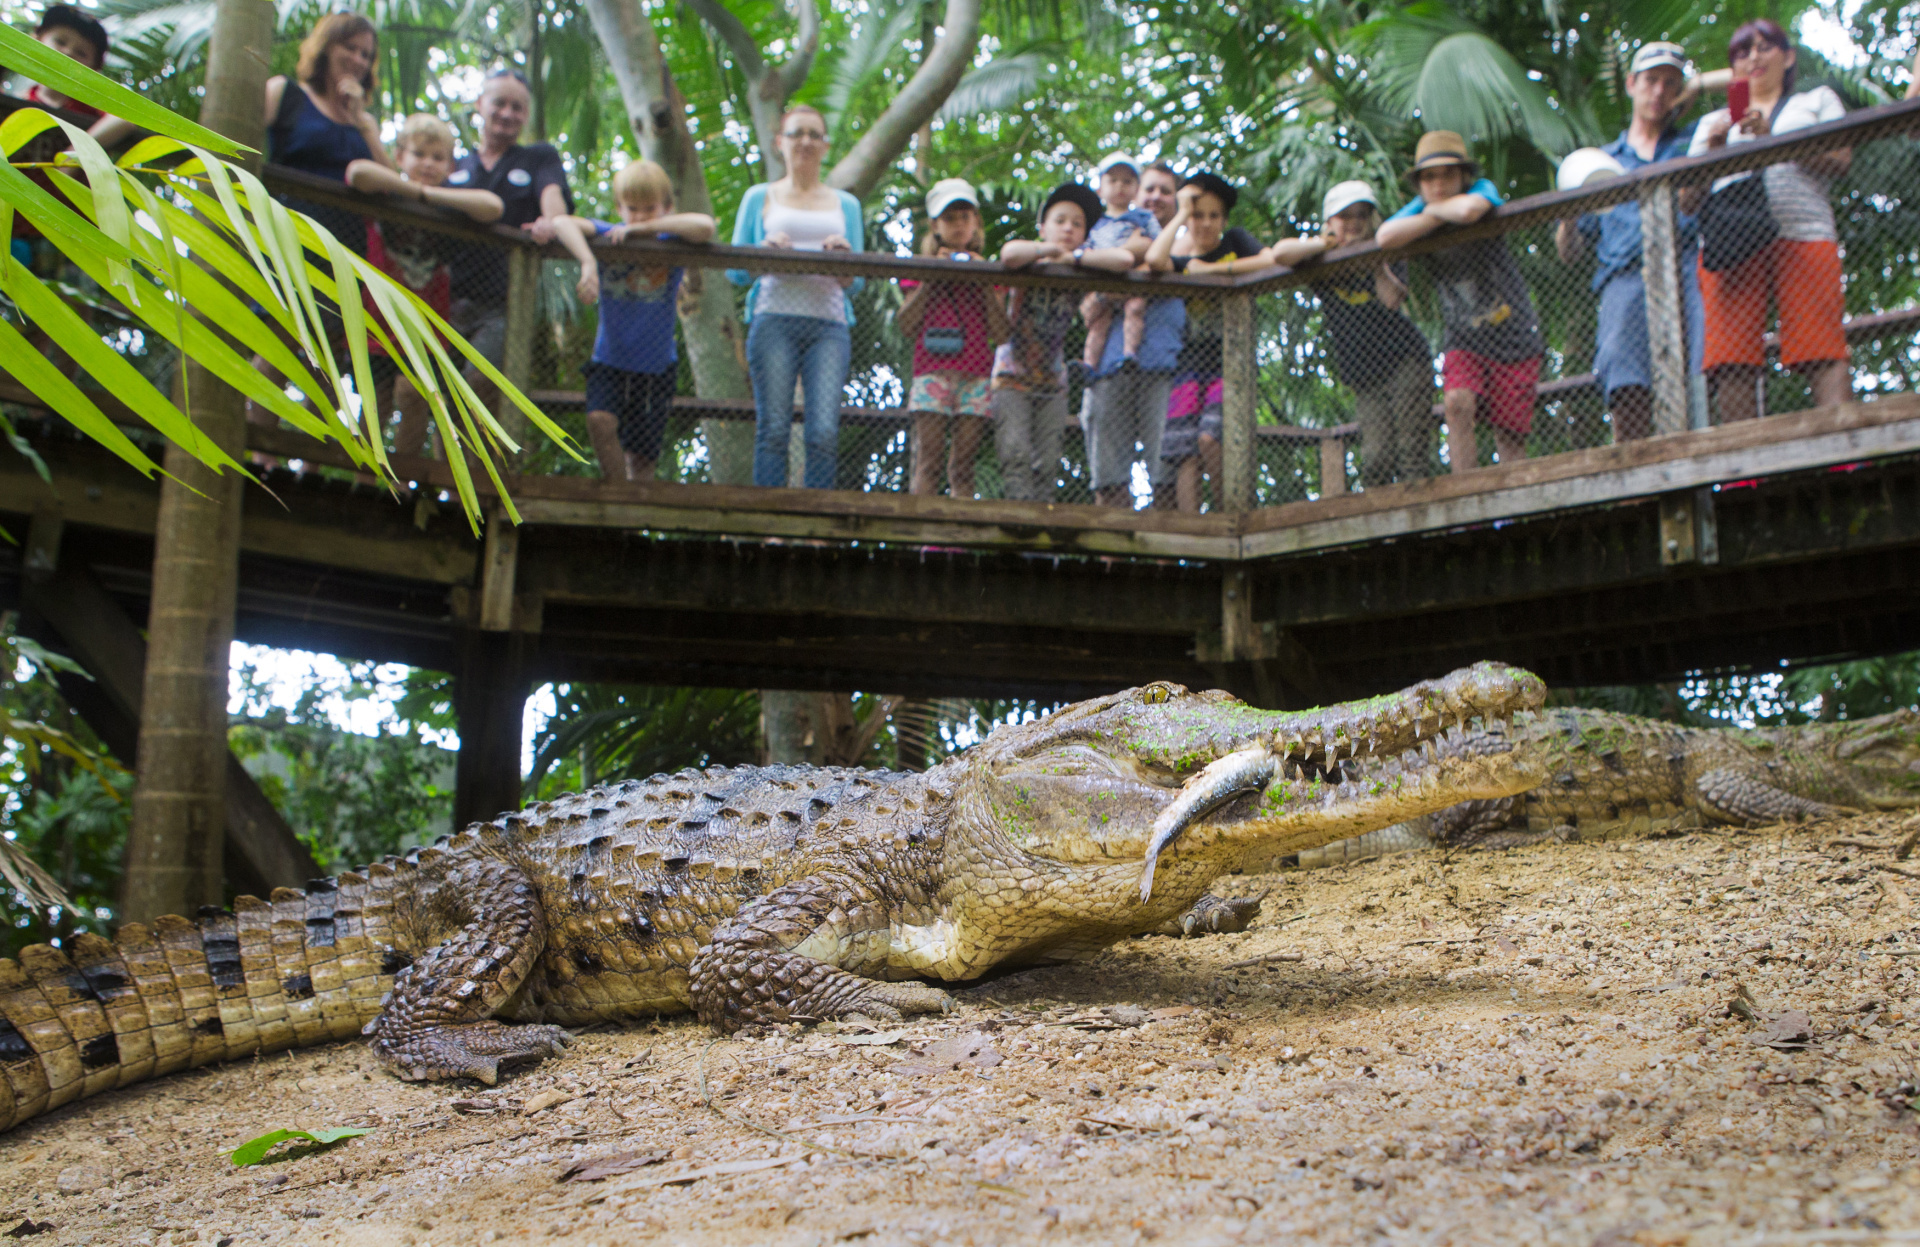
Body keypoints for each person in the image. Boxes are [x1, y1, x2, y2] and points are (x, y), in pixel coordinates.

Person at [1685, 19, 1852, 423]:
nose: (1753, 57)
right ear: (1733, 67)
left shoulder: (1816, 100)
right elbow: (1687, 201)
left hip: (1804, 232)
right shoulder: (1714, 123)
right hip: (1733, 244)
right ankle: (1746, 475)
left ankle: (1847, 457)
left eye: (1764, 47)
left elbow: (1841, 160)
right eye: (1742, 52)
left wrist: (1772, 144)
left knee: (1821, 345)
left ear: (1788, 56)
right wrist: (1714, 151)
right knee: (1732, 357)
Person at [1555, 41, 1707, 442]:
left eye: (1670, 84)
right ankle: (1636, 476)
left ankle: (1706, 468)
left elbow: (1745, 96)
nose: (1659, 92)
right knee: (1625, 379)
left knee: (1702, 372)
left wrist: (1701, 84)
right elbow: (1570, 254)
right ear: (1631, 84)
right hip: (1623, 278)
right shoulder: (1600, 163)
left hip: (1688, 268)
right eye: (1651, 80)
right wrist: (1568, 219)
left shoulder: (1694, 142)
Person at [1376, 131, 1545, 472]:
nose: (1437, 184)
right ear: (1419, 183)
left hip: (1512, 331)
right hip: (1463, 338)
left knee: (1510, 434)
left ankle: (1517, 512)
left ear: (1464, 177)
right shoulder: (1421, 207)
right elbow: (1385, 236)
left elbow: (1470, 210)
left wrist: (1428, 216)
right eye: (1429, 177)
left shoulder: (1480, 190)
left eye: (1447, 175)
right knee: (1456, 403)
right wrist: (1437, 214)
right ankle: (1465, 494)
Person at [345, 115, 504, 457]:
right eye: (419, 154)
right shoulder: (388, 193)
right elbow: (358, 173)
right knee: (376, 400)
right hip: (378, 320)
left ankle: (403, 478)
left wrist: (432, 197)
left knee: (415, 396)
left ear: (450, 165)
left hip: (426, 328)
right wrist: (414, 191)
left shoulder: (449, 206)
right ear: (400, 156)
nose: (428, 163)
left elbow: (493, 208)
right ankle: (363, 471)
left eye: (438, 158)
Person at [549, 160, 715, 483]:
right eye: (632, 209)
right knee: (600, 420)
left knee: (642, 456)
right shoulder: (609, 236)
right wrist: (587, 263)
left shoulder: (670, 240)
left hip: (655, 367)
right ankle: (616, 493)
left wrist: (643, 229)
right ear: (619, 208)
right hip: (610, 360)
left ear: (667, 208)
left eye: (650, 208)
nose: (639, 216)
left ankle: (634, 518)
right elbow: (561, 224)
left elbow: (705, 226)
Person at [728, 105, 865, 490]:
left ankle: (817, 527)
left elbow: (855, 283)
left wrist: (842, 260)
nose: (805, 141)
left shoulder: (846, 205)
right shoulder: (759, 198)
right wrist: (763, 250)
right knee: (773, 428)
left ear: (825, 146)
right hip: (774, 320)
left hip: (829, 325)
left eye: (813, 135)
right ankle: (768, 523)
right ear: (779, 144)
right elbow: (736, 271)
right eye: (796, 133)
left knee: (822, 431)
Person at [1270, 181, 1435, 488]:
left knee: (1411, 452)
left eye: (1362, 214)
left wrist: (1373, 260)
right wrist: (1325, 245)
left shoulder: (1388, 248)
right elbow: (1281, 254)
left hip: (1405, 360)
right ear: (1330, 221)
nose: (1355, 222)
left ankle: (1418, 523)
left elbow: (1391, 298)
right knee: (1376, 459)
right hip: (1364, 374)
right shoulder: (1322, 261)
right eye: (1345, 216)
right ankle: (1381, 533)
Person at [994, 184, 1133, 501]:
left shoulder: (1080, 265)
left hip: (1052, 380)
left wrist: (1077, 257)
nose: (1068, 228)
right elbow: (1009, 254)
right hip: (1011, 375)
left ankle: (1043, 528)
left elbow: (1124, 259)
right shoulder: (1030, 257)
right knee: (1015, 453)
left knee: (1048, 458)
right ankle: (1019, 521)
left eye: (1077, 223)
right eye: (1060, 221)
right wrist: (1047, 250)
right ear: (1043, 227)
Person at [1143, 172, 1273, 511]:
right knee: (1186, 453)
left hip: (1230, 364)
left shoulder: (1235, 243)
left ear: (1225, 220)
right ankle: (1195, 532)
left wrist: (1210, 272)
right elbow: (1156, 260)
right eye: (1199, 215)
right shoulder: (1184, 260)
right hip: (1186, 366)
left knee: (1209, 438)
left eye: (1214, 215)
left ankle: (1225, 513)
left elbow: (1271, 260)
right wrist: (1182, 213)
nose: (1206, 223)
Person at [443, 69, 574, 390]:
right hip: (445, 296)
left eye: (517, 107)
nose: (507, 113)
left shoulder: (538, 158)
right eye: (499, 103)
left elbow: (552, 196)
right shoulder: (455, 165)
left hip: (505, 300)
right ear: (480, 104)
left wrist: (550, 221)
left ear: (526, 114)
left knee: (479, 382)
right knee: (433, 389)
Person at [896, 179, 1009, 498]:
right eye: (949, 218)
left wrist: (985, 279)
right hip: (931, 372)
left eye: (965, 216)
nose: (958, 224)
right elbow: (906, 324)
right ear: (935, 225)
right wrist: (932, 277)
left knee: (963, 465)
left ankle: (958, 539)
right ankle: (923, 538)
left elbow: (1000, 334)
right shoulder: (920, 267)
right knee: (928, 461)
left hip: (974, 375)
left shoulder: (990, 271)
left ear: (975, 222)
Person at [264, 13, 391, 254]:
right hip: (286, 241)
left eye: (366, 55)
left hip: (348, 255)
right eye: (350, 48)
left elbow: (391, 186)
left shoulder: (367, 124)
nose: (358, 60)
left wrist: (359, 119)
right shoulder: (284, 93)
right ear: (327, 47)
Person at [1076, 154, 1158, 383]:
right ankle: (1089, 366)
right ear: (1100, 188)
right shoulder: (1093, 223)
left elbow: (1158, 244)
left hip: (1133, 281)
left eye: (1127, 181)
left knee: (1135, 308)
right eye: (1113, 181)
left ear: (1136, 189)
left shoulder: (1142, 217)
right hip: (1103, 282)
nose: (1120, 186)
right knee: (1098, 324)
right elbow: (1085, 252)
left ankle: (1129, 354)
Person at [22, 5, 130, 143]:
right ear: (37, 40)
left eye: (81, 53)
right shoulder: (20, 99)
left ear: (94, 68)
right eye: (60, 41)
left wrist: (75, 155)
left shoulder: (93, 108)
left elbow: (124, 116)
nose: (68, 52)